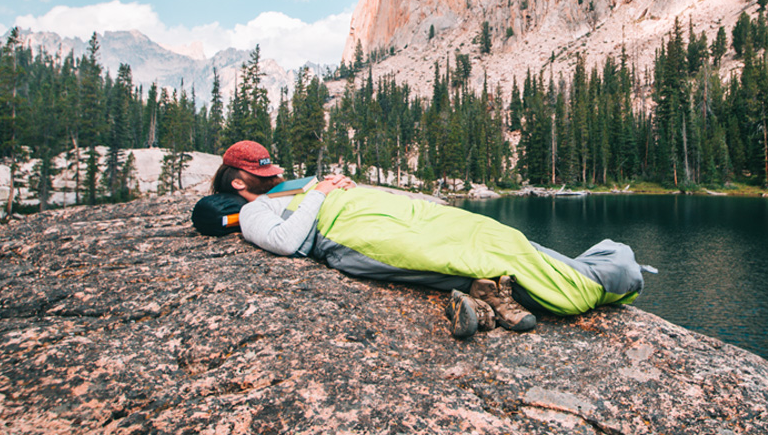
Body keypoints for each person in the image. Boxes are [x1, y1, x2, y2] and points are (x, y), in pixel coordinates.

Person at [211, 140, 650, 339]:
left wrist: (337, 185)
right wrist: (321, 194)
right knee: (452, 254)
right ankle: (597, 276)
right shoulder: (252, 210)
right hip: (348, 230)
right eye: (263, 175)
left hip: (382, 208)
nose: (275, 178)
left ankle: (501, 291)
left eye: (273, 171)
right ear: (239, 183)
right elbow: (287, 242)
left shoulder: (290, 189)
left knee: (492, 233)